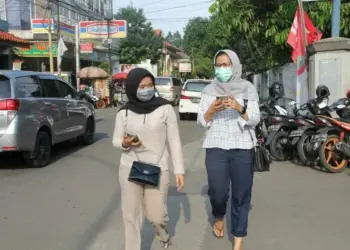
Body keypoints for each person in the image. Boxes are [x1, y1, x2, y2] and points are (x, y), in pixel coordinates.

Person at [112, 67, 185, 250]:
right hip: (130, 166)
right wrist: (125, 143)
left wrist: (179, 170)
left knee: (157, 216)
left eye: (150, 85)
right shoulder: (124, 112)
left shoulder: (165, 108)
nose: (147, 89)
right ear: (132, 88)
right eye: (142, 86)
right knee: (131, 216)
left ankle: (163, 234)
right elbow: (115, 140)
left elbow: (174, 140)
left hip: (158, 167)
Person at [197, 50, 260, 250]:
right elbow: (201, 121)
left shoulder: (248, 88)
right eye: (219, 64)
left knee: (242, 194)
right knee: (218, 191)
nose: (222, 68)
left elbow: (256, 118)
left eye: (226, 64)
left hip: (242, 147)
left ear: (234, 65)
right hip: (216, 146)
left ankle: (238, 238)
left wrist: (238, 107)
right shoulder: (209, 90)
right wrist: (212, 110)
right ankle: (218, 215)